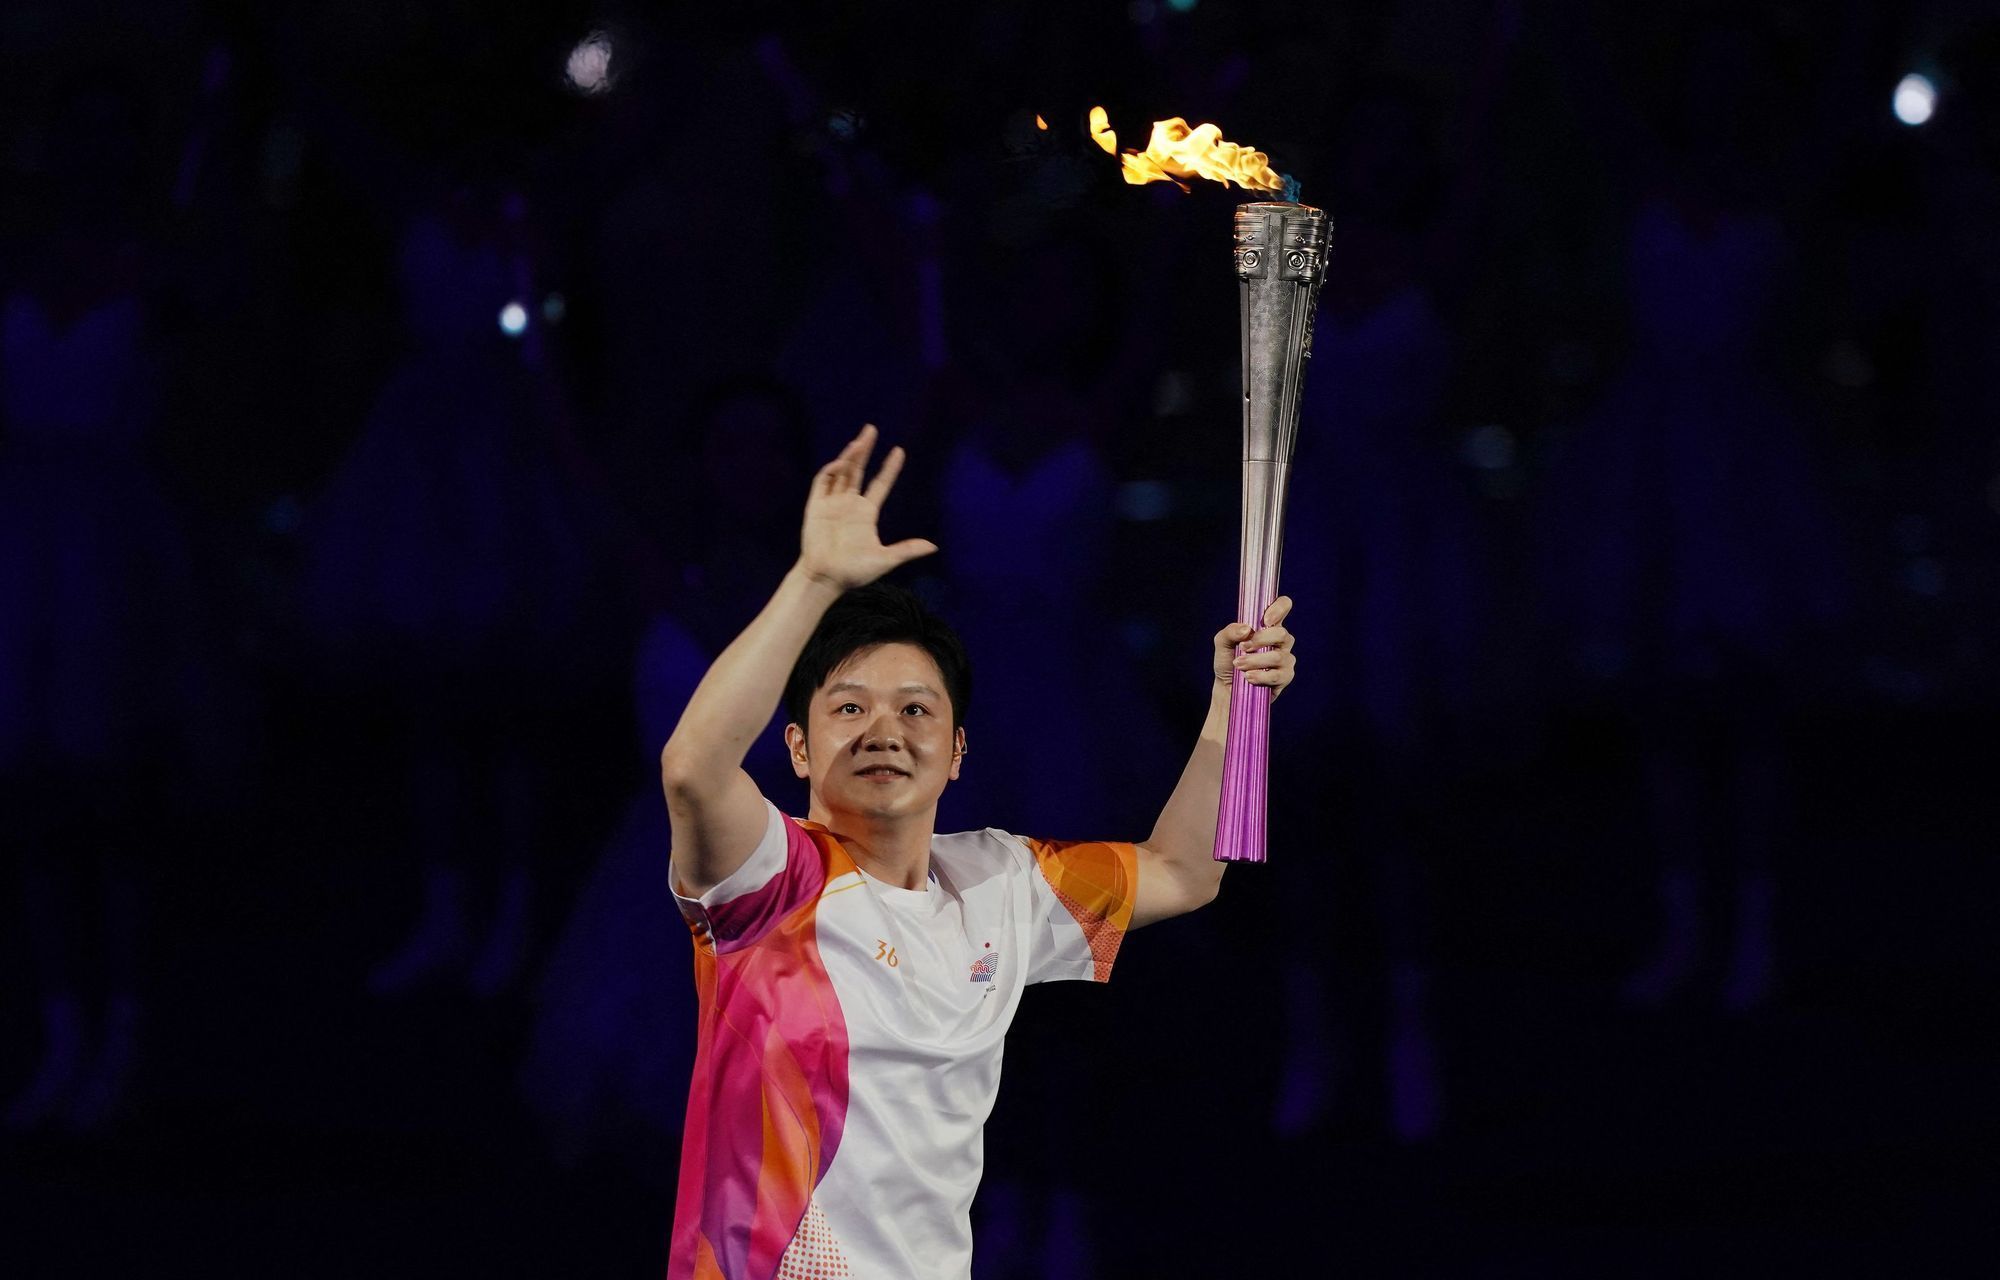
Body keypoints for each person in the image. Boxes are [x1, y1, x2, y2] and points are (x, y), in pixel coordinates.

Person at [659, 424, 1296, 1278]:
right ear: (799, 750)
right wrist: (814, 582)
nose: (885, 729)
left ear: (958, 754)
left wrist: (1235, 701)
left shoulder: (1003, 880)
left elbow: (1185, 870)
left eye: (916, 710)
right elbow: (695, 769)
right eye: (849, 709)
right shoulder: (771, 882)